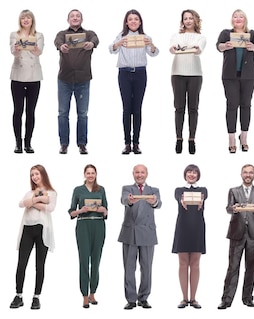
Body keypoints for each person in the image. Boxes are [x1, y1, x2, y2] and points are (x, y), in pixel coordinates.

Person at [110, 9, 159, 155]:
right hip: (124, 73)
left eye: (136, 19)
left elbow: (154, 53)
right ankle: (127, 143)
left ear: (140, 22)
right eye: (130, 19)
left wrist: (151, 45)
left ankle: (136, 143)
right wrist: (118, 44)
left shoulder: (145, 37)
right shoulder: (121, 36)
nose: (133, 21)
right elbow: (111, 50)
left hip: (140, 73)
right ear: (126, 22)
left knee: (137, 109)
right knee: (126, 108)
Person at [218, 164, 254, 309]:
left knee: (251, 267)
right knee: (233, 267)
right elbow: (228, 208)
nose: (248, 175)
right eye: (245, 172)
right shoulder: (233, 191)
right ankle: (226, 299)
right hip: (236, 232)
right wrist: (233, 208)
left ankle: (247, 298)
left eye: (251, 173)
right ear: (241, 174)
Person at [10, 165, 56, 310]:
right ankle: (18, 295)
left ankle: (36, 297)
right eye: (32, 175)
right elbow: (21, 204)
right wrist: (39, 200)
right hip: (27, 230)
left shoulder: (51, 192)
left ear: (43, 174)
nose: (35, 177)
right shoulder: (29, 192)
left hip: (42, 230)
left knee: (39, 265)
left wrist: (34, 202)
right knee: (21, 263)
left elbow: (50, 207)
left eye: (37, 174)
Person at [217, 9, 254, 154]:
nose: (238, 19)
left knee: (246, 105)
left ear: (245, 20)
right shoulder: (226, 33)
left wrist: (253, 47)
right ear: (232, 19)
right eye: (235, 16)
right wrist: (225, 46)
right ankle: (231, 139)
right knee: (232, 105)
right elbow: (219, 46)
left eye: (241, 16)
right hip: (230, 76)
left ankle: (244, 138)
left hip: (248, 76)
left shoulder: (252, 34)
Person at [54, 9, 99, 155]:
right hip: (65, 80)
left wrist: (91, 44)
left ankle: (82, 144)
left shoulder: (88, 34)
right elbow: (57, 41)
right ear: (68, 20)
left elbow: (96, 39)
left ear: (82, 19)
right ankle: (64, 144)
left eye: (77, 16)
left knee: (82, 114)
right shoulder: (62, 34)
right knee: (62, 113)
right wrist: (61, 46)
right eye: (72, 16)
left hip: (83, 80)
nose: (75, 18)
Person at [118, 164, 161, 310]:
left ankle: (143, 298)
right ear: (133, 174)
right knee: (129, 268)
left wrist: (154, 201)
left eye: (142, 172)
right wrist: (130, 200)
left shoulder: (153, 191)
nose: (140, 175)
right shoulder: (127, 189)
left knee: (147, 267)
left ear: (147, 174)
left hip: (148, 233)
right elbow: (124, 200)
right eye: (137, 172)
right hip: (130, 233)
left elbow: (158, 203)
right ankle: (131, 299)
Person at [68, 164, 108, 308]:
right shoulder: (78, 190)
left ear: (96, 174)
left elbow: (106, 211)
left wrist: (104, 210)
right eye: (88, 173)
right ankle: (84, 294)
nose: (90, 175)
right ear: (84, 174)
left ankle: (93, 292)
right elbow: (71, 211)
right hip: (83, 225)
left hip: (98, 225)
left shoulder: (101, 189)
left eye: (93, 173)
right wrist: (81, 210)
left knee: (96, 260)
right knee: (84, 260)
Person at [170, 10, 206, 154]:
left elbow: (198, 50)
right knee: (179, 108)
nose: (188, 21)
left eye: (191, 18)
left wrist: (194, 49)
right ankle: (179, 138)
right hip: (177, 73)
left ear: (195, 20)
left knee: (193, 108)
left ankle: (191, 139)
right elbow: (172, 48)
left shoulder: (201, 37)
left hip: (195, 74)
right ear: (182, 21)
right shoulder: (176, 36)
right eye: (185, 18)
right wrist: (174, 48)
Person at [172, 164, 207, 309]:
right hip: (183, 227)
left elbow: (204, 197)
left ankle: (193, 298)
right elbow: (178, 197)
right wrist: (182, 200)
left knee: (195, 264)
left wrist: (200, 201)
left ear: (198, 175)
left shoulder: (203, 190)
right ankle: (184, 298)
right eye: (189, 172)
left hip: (197, 227)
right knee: (182, 263)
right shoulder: (179, 190)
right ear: (185, 174)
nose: (192, 174)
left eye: (194, 172)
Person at [10, 10, 43, 154]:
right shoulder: (14, 35)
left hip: (34, 77)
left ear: (32, 20)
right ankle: (18, 143)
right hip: (17, 76)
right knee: (18, 111)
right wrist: (16, 49)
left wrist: (35, 49)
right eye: (23, 18)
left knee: (30, 111)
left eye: (28, 17)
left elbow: (39, 52)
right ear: (20, 21)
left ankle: (28, 143)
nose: (25, 20)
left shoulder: (39, 35)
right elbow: (13, 52)